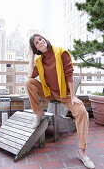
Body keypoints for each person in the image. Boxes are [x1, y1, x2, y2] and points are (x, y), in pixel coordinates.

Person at [26, 34, 95, 169]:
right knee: (29, 82)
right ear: (36, 48)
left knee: (82, 113)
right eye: (36, 43)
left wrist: (73, 96)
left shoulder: (61, 53)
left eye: (40, 39)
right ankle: (38, 113)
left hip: (65, 94)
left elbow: (69, 75)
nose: (40, 42)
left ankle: (82, 151)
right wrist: (31, 56)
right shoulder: (39, 61)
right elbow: (30, 75)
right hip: (49, 93)